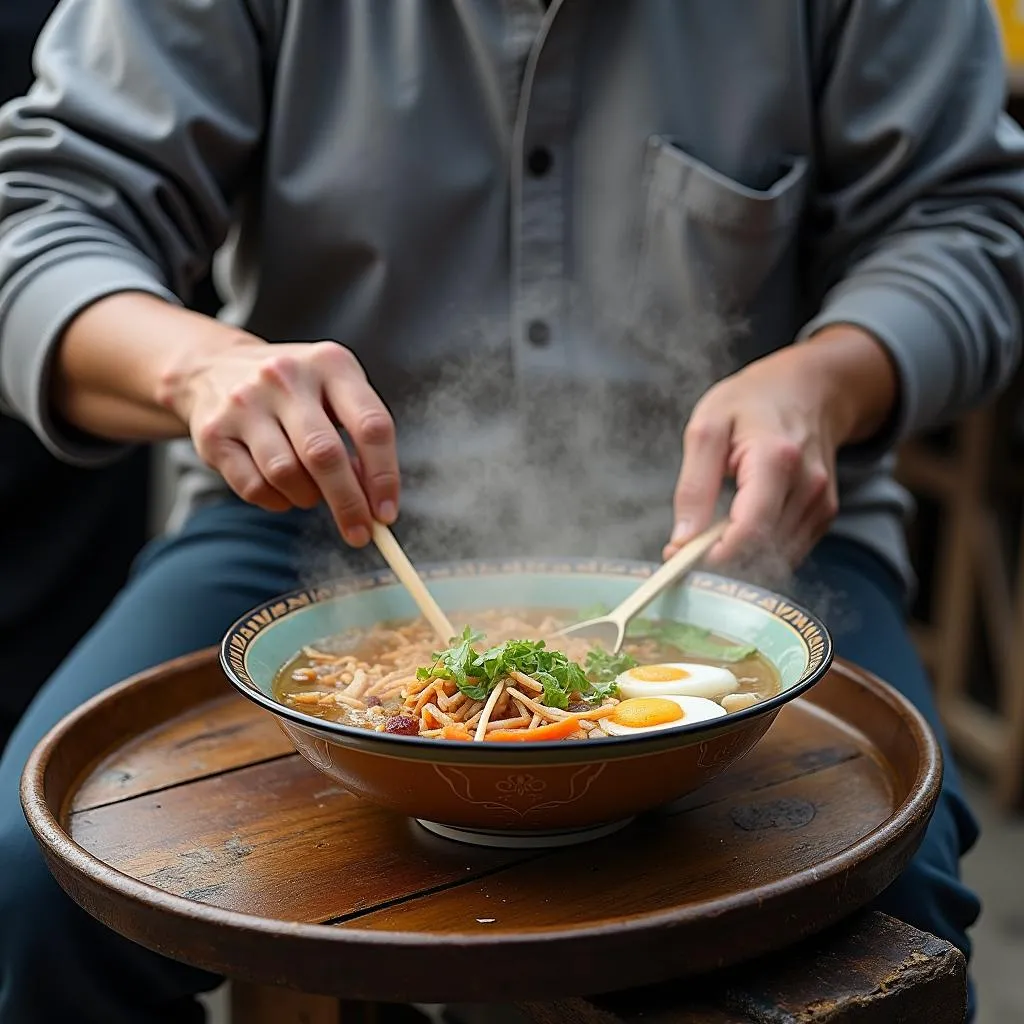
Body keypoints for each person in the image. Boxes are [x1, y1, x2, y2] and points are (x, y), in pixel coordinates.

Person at [0, 1, 1019, 1020]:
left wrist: (826, 381)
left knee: (898, 901)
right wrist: (196, 368)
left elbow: (969, 223)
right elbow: (41, 215)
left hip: (743, 534)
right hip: (315, 524)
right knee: (26, 875)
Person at [0, 0, 152, 752]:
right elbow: (42, 215)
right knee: (27, 848)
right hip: (292, 505)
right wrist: (203, 369)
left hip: (579, 523)